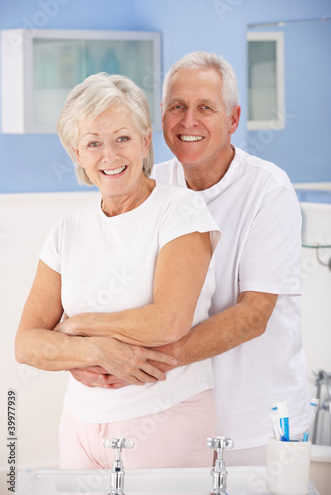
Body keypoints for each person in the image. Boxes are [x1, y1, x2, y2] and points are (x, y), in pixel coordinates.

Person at [70, 52, 312, 466]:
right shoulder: (148, 184)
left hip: (256, 421)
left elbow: (254, 315)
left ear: (233, 119)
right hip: (170, 415)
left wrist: (139, 360)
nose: (188, 122)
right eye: (177, 107)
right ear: (160, 118)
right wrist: (89, 354)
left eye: (206, 108)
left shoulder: (268, 191)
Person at [15, 72, 221, 469]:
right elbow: (26, 344)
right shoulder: (67, 230)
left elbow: (169, 321)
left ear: (145, 141)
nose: (109, 156)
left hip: (166, 419)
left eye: (122, 138)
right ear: (77, 153)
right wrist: (96, 350)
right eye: (93, 143)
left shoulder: (180, 211)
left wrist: (78, 325)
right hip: (80, 425)